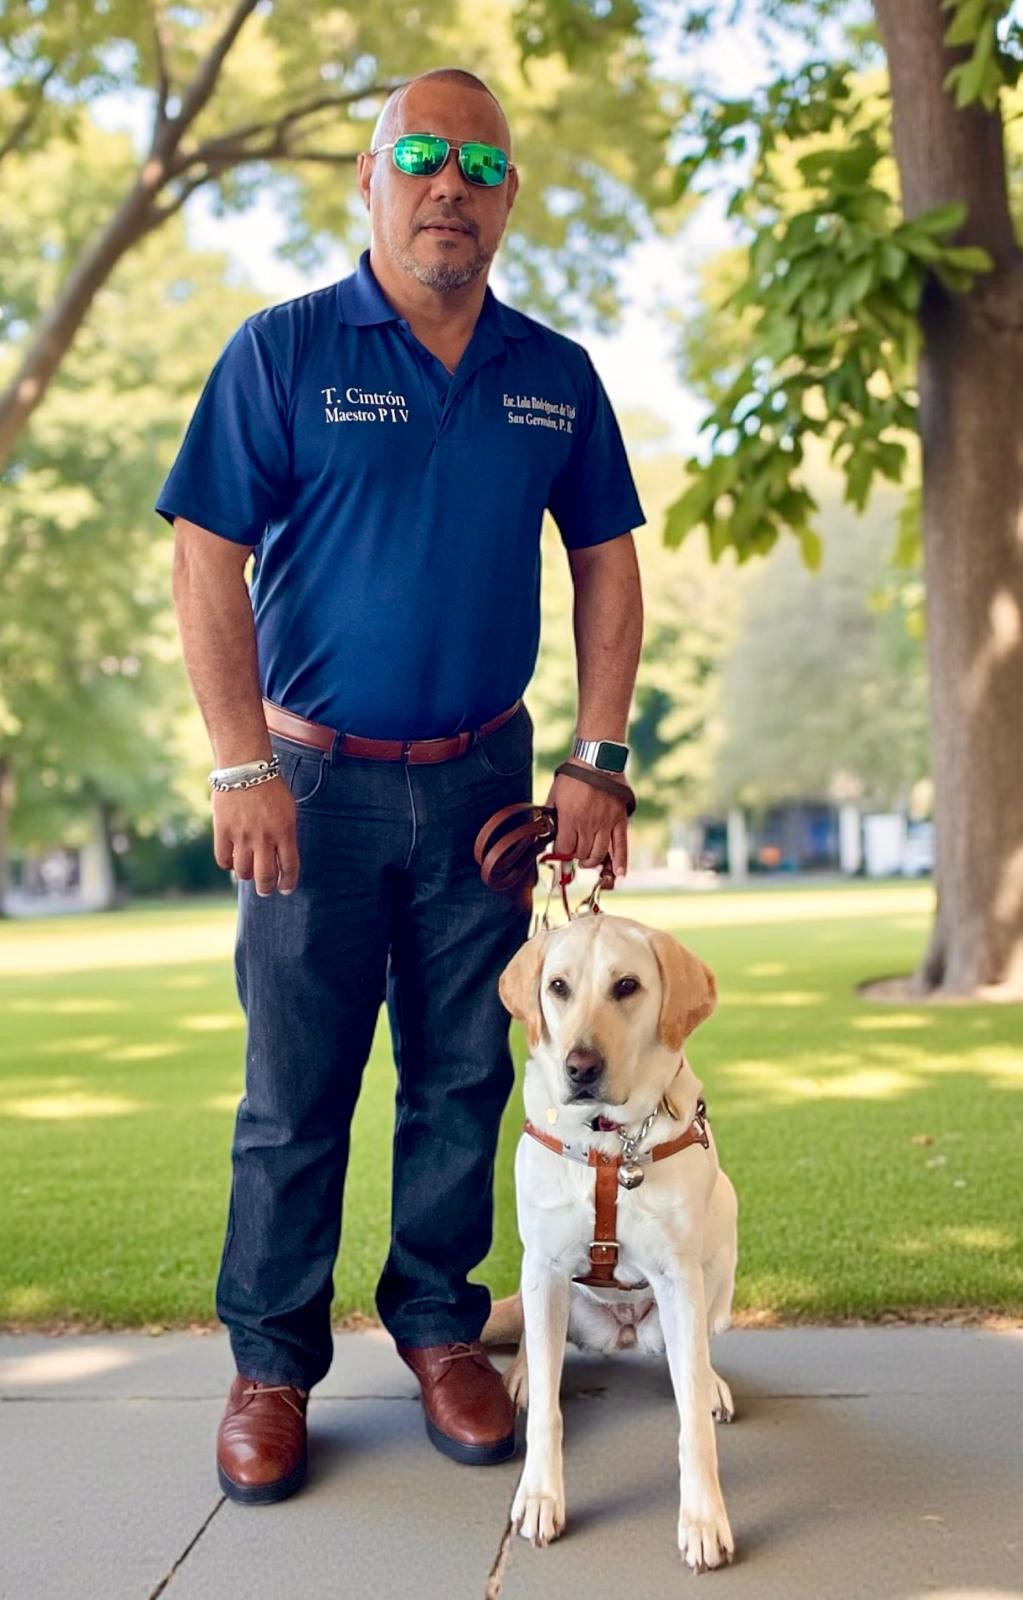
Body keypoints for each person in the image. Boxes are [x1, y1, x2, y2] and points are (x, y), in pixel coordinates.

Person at [158, 64, 645, 1506]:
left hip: (491, 785)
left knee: (459, 1075)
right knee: (294, 1094)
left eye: (478, 164)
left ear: (505, 197)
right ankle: (270, 1368)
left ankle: (441, 1330)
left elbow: (607, 561)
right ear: (369, 183)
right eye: (419, 156)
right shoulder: (284, 350)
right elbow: (205, 554)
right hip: (310, 786)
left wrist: (596, 758)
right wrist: (241, 759)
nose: (450, 183)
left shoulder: (554, 376)